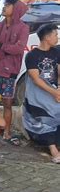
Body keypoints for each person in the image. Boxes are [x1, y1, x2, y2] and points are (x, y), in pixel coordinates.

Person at [0, 0, 28, 145]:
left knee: (8, 103)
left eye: (8, 5)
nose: (4, 7)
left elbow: (18, 49)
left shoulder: (23, 28)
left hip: (10, 72)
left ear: (15, 9)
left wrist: (1, 46)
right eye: (5, 5)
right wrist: (4, 51)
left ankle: (7, 132)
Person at [23, 23, 60, 163]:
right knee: (47, 116)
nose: (57, 37)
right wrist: (54, 93)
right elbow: (36, 79)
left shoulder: (57, 52)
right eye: (55, 35)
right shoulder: (32, 56)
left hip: (53, 90)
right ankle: (53, 150)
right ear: (47, 37)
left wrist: (59, 89)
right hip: (37, 94)